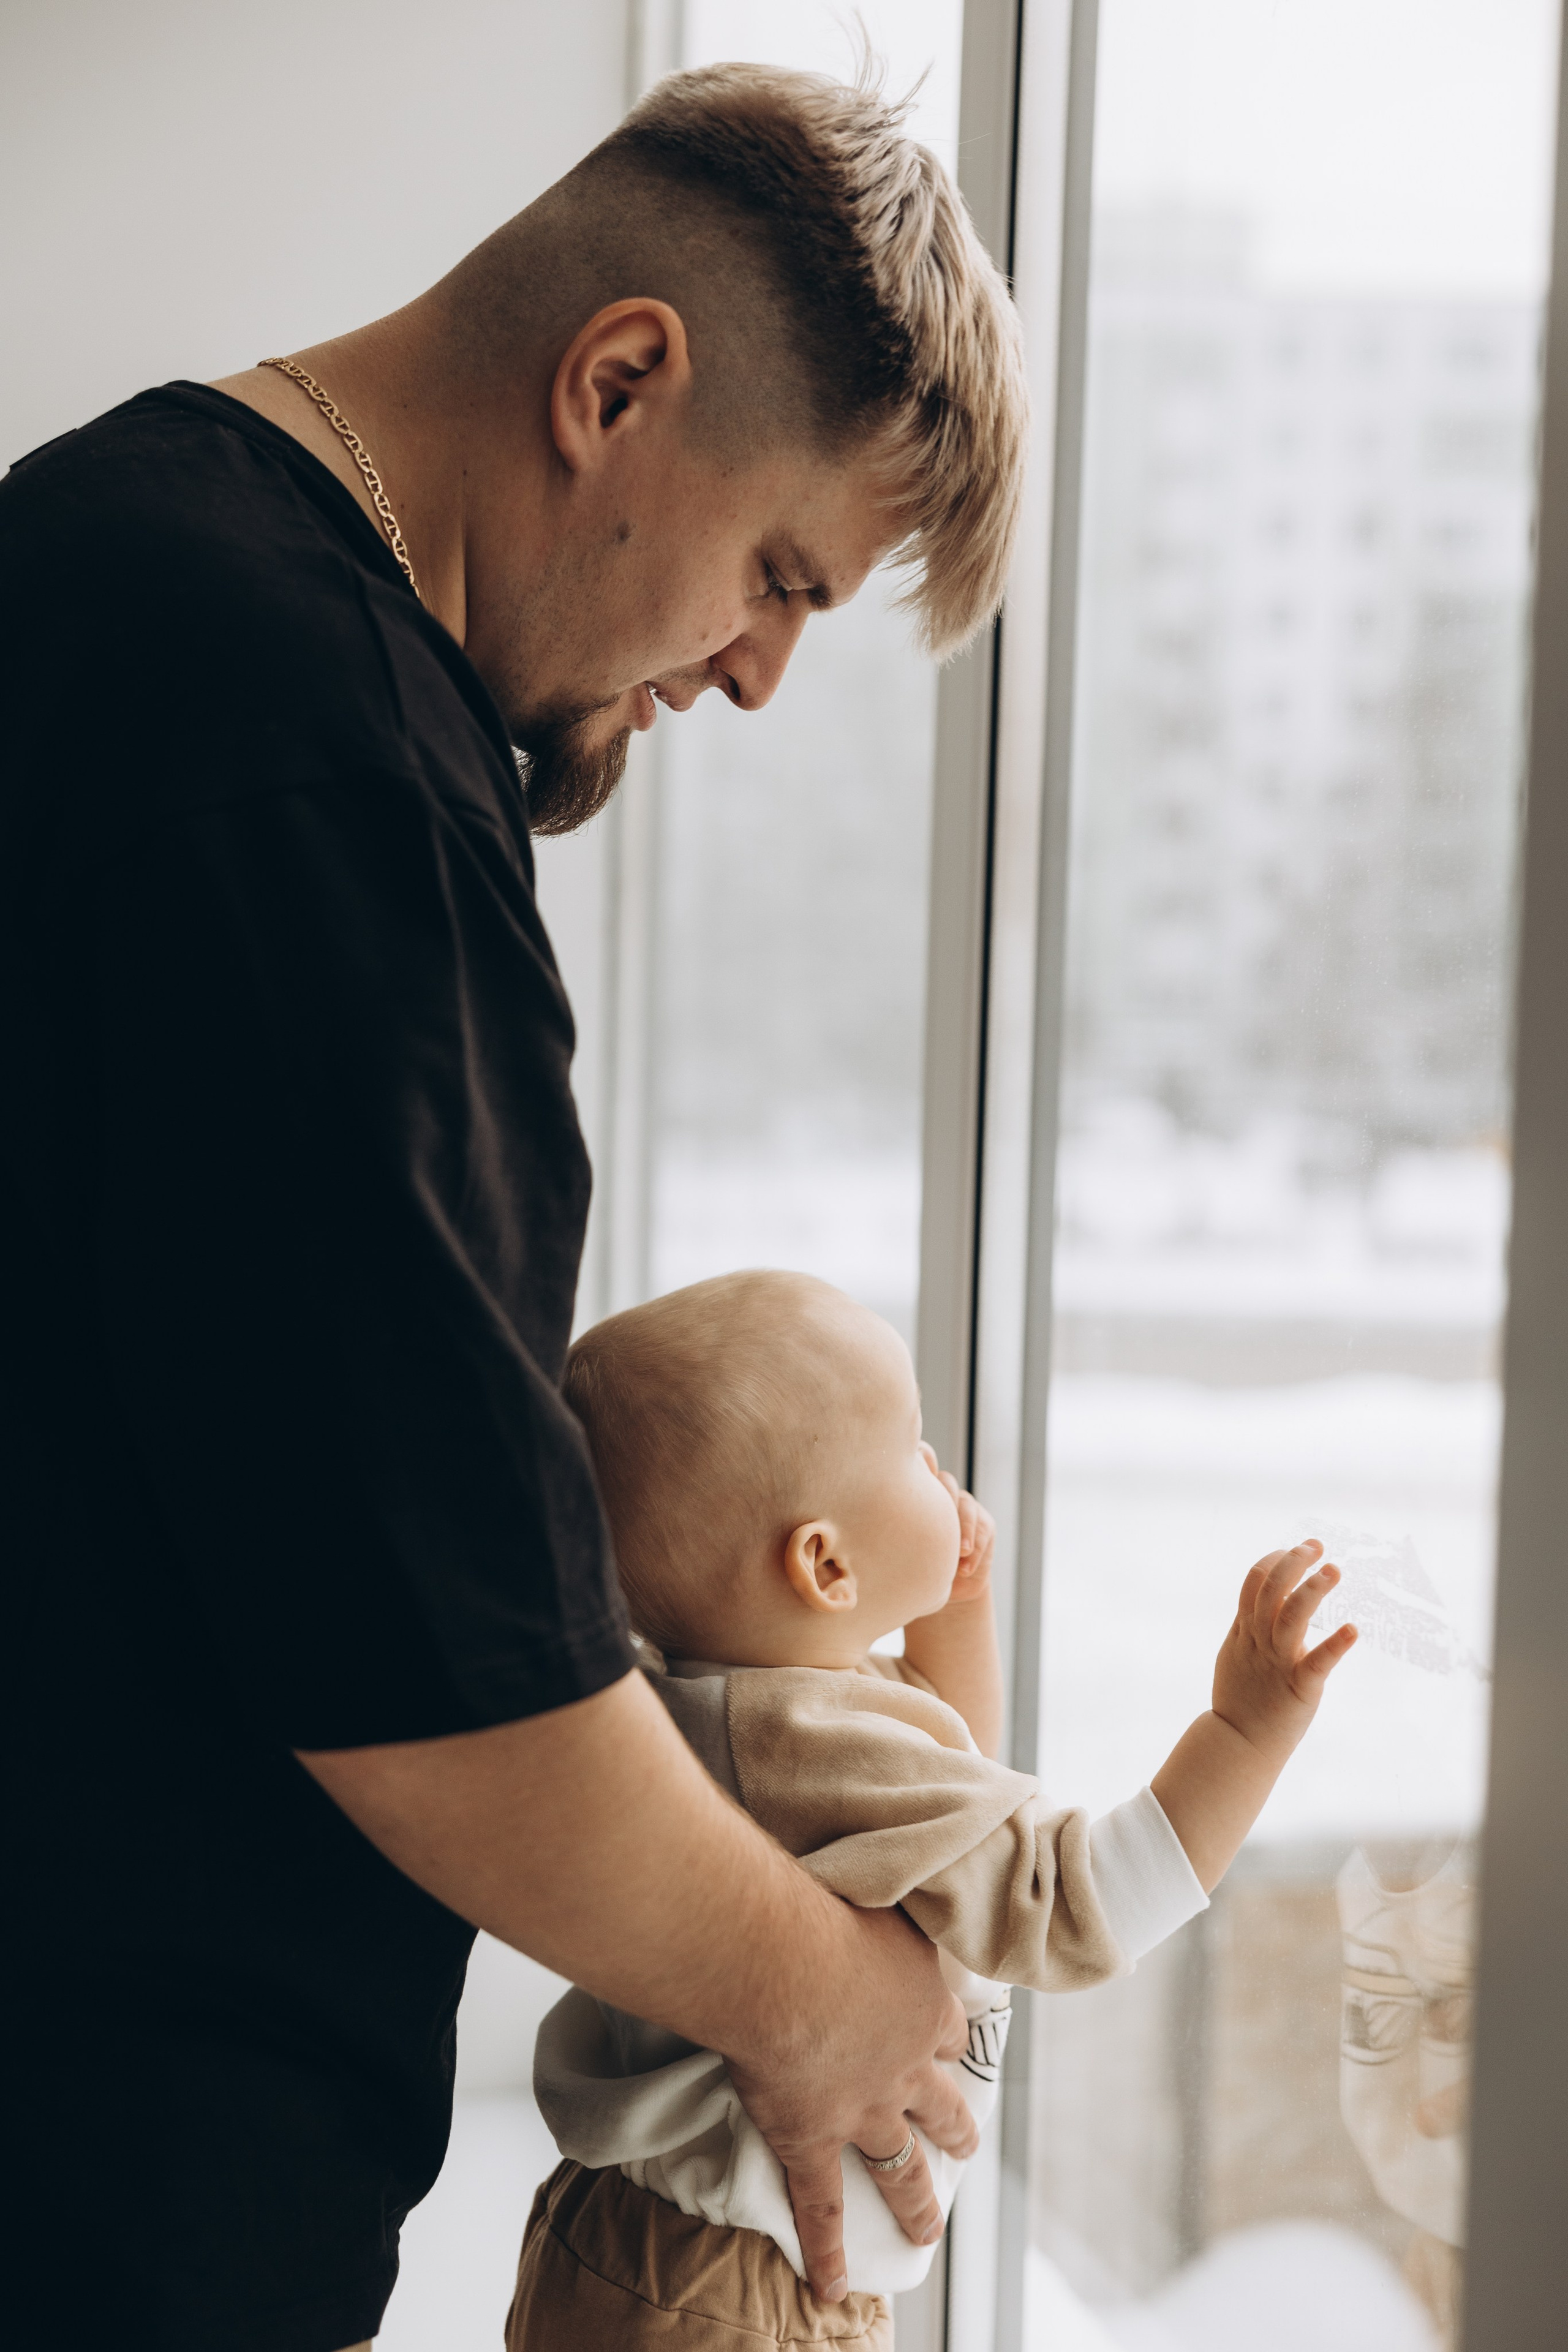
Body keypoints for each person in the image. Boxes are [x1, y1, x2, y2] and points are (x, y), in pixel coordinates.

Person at [0, 62, 1028, 2352]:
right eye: (780, 576)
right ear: (621, 379)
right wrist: (824, 2003)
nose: (761, 671)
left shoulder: (111, 556)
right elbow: (425, 1653)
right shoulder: (299, 750)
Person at [506, 1271, 1359, 2348]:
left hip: (649, 2248)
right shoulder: (812, 1746)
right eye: (912, 1448)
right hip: (740, 2294)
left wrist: (956, 1602)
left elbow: (946, 1775)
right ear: (826, 1564)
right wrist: (1247, 1731)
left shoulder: (741, 1710)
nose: (940, 1467)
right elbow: (1074, 1907)